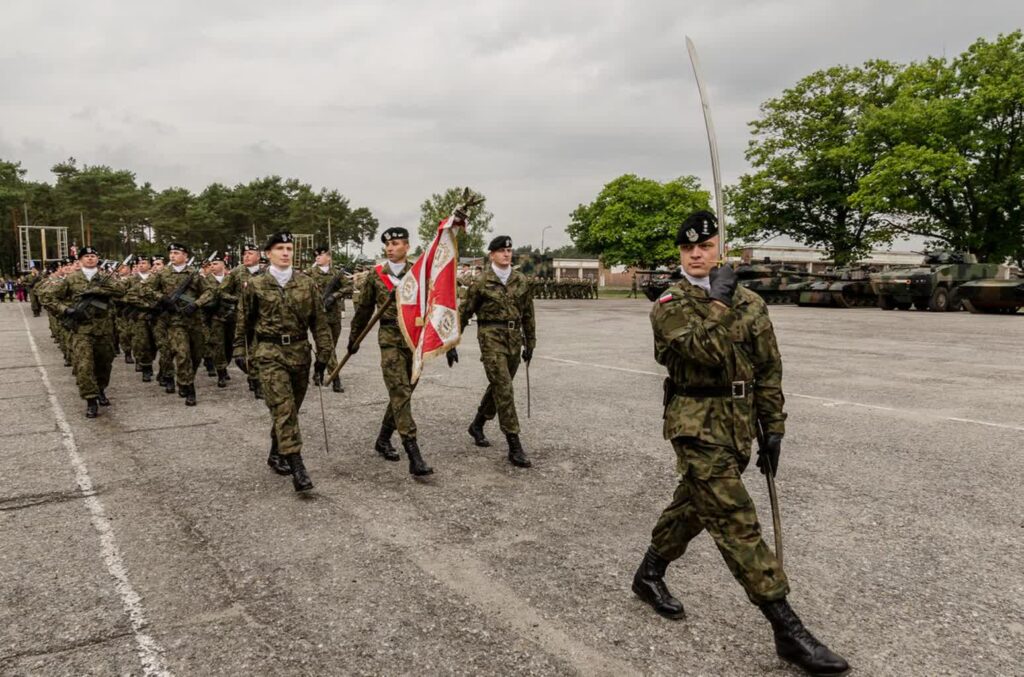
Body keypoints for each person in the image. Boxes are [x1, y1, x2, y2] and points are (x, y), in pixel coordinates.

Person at [631, 211, 848, 676]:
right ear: (680, 253)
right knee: (735, 521)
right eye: (688, 248)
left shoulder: (750, 301)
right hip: (694, 424)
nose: (696, 253)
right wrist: (720, 302)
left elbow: (769, 367)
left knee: (694, 506)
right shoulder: (670, 302)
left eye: (705, 246)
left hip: (737, 426)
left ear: (719, 247)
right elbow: (700, 352)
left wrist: (774, 425)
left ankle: (648, 575)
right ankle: (787, 629)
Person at [234, 232, 333, 492]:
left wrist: (324, 355)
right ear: (268, 254)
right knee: (284, 409)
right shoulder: (255, 285)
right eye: (279, 248)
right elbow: (244, 321)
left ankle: (276, 452)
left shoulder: (306, 282)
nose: (286, 252)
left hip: (300, 352)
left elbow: (319, 322)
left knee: (291, 409)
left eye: (289, 248)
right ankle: (297, 466)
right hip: (269, 353)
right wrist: (239, 351)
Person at [347, 226, 433, 476]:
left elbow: (432, 306)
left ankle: (383, 439)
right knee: (400, 391)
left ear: (407, 246)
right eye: (388, 244)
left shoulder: (418, 274)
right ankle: (413, 453)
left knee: (403, 393)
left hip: (413, 340)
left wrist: (441, 344)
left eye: (396, 243)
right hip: (389, 338)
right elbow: (363, 311)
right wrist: (353, 339)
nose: (390, 248)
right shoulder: (375, 277)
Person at [451, 235, 536, 468]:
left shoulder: (521, 280)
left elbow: (528, 313)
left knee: (499, 386)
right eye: (501, 251)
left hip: (514, 339)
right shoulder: (481, 282)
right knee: (504, 388)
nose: (506, 254)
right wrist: (452, 344)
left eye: (509, 250)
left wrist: (531, 342)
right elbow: (464, 313)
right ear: (492, 255)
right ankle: (514, 445)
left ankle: (477, 424)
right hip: (490, 338)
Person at [42, 246, 125, 418]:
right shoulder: (71, 279)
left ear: (97, 258)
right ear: (80, 260)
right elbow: (47, 297)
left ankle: (101, 389)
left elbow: (121, 291)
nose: (90, 259)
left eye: (93, 256)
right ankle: (91, 399)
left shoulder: (105, 277)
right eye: (86, 256)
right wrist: (66, 310)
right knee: (84, 365)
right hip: (81, 329)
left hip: (104, 329)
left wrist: (98, 290)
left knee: (104, 364)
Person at [143, 243, 213, 406]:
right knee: (183, 354)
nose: (172, 255)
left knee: (196, 356)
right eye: (171, 253)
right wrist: (162, 298)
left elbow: (210, 292)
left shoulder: (194, 274)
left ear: (186, 256)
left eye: (176, 253)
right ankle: (189, 388)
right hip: (174, 321)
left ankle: (184, 379)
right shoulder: (163, 273)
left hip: (194, 320)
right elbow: (145, 289)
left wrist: (196, 304)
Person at [306, 245, 350, 393]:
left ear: (329, 257)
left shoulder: (336, 273)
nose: (317, 257)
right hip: (318, 317)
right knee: (328, 347)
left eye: (321, 255)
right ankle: (335, 378)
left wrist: (334, 296)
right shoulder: (309, 273)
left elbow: (349, 287)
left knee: (327, 348)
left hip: (334, 316)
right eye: (316, 255)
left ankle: (318, 370)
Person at [224, 244, 265, 399]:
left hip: (262, 317)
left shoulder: (266, 272)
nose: (246, 256)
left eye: (250, 253)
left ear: (258, 256)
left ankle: (256, 380)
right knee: (245, 350)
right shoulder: (236, 272)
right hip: (241, 317)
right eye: (244, 254)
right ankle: (253, 376)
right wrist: (238, 301)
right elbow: (222, 291)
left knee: (258, 350)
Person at [204, 253, 234, 388]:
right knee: (218, 345)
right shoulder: (205, 280)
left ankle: (225, 364)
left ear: (223, 265)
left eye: (216, 264)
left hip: (231, 317)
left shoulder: (230, 279)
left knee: (229, 345)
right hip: (215, 318)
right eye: (211, 264)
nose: (213, 267)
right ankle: (221, 372)